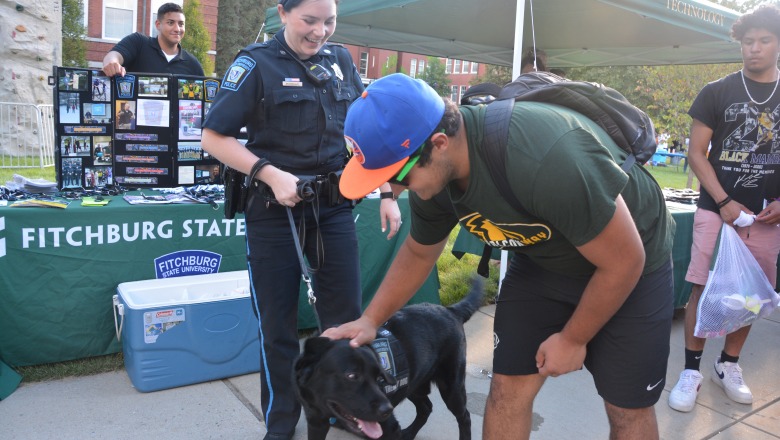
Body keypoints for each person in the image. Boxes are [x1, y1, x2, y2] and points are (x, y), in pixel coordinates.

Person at [323, 73, 675, 439]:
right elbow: (418, 252)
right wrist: (370, 319)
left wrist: (573, 339)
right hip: (542, 261)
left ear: (439, 144)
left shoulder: (544, 156)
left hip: (631, 264)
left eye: (397, 176)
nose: (393, 190)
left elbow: (623, 261)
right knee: (507, 390)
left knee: (627, 408)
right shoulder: (433, 178)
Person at [200, 1, 401, 438]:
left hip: (333, 210)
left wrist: (386, 191)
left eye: (329, 21)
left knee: (346, 324)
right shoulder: (255, 64)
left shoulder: (341, 59)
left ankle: (347, 412)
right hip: (275, 215)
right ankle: (281, 424)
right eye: (310, 20)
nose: (321, 31)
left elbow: (361, 130)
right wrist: (268, 174)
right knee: (278, 330)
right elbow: (213, 136)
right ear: (283, 13)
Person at [667, 4, 780, 413]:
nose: (754, 49)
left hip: (766, 217)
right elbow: (697, 154)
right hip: (716, 210)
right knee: (703, 286)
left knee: (750, 294)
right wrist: (725, 201)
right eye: (748, 42)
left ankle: (728, 365)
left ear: (778, 44)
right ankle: (692, 370)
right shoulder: (716, 91)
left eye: (764, 40)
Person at [101, 3, 204, 77]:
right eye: (170, 23)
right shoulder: (138, 43)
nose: (177, 29)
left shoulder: (192, 64)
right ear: (158, 25)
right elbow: (114, 55)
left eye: (181, 24)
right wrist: (112, 63)